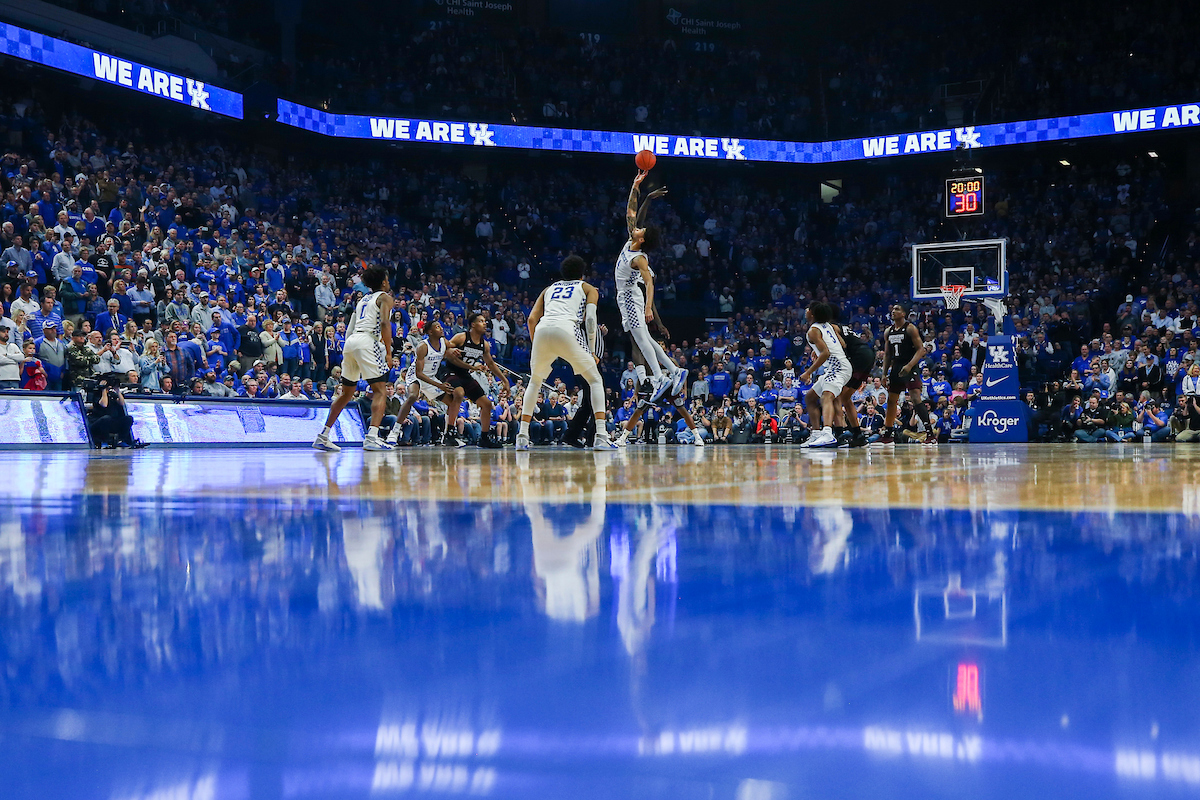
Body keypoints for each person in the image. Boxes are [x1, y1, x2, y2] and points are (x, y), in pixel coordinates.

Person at [516, 255, 616, 451]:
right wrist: (592, 349)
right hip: (567, 330)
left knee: (535, 382)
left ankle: (522, 436)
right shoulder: (587, 288)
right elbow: (590, 321)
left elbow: (531, 320)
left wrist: (536, 342)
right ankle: (601, 436)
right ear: (582, 274)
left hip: (543, 330)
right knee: (595, 380)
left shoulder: (548, 289)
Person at [313, 265, 395, 452]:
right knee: (381, 390)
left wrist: (348, 350)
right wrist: (389, 352)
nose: (389, 283)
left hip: (351, 343)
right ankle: (372, 437)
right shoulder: (385, 297)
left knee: (346, 393)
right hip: (367, 341)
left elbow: (352, 326)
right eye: (387, 279)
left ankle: (323, 435)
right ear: (383, 282)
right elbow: (384, 323)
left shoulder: (363, 300)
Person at [615, 171, 680, 402]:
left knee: (640, 339)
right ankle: (674, 371)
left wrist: (649, 307)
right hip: (626, 295)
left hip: (632, 297)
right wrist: (637, 187)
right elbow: (631, 211)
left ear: (641, 239)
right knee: (646, 339)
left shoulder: (640, 258)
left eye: (641, 230)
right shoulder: (632, 239)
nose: (638, 227)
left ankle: (661, 377)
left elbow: (649, 283)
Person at [389, 319, 468, 447]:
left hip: (431, 377)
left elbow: (454, 349)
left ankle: (448, 435)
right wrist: (439, 385)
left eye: (441, 326)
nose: (441, 328)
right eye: (437, 327)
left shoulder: (444, 342)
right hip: (415, 375)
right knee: (413, 396)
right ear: (430, 332)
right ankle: (395, 431)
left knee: (453, 400)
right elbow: (419, 373)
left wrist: (461, 351)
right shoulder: (422, 346)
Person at [443, 312, 509, 448]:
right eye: (481, 321)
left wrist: (504, 380)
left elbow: (491, 364)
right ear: (473, 325)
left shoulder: (484, 345)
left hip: (465, 374)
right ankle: (449, 434)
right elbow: (445, 349)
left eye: (485, 321)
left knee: (487, 404)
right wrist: (451, 350)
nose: (485, 323)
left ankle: (484, 437)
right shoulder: (461, 337)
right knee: (459, 394)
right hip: (449, 370)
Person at [799, 302, 851, 448]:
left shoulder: (813, 331)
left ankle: (827, 433)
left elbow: (826, 352)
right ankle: (816, 434)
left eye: (808, 309)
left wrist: (808, 372)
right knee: (809, 398)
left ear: (812, 315)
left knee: (826, 396)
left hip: (838, 368)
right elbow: (842, 344)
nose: (806, 310)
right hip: (839, 365)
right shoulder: (828, 325)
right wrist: (819, 348)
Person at [880, 304, 930, 444]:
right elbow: (887, 354)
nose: (893, 311)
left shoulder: (910, 328)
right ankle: (888, 434)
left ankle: (930, 434)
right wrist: (884, 374)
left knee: (915, 397)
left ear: (903, 313)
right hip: (896, 366)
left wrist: (909, 366)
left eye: (897, 309)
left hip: (910, 364)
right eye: (893, 309)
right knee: (891, 400)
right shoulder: (888, 331)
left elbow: (921, 350)